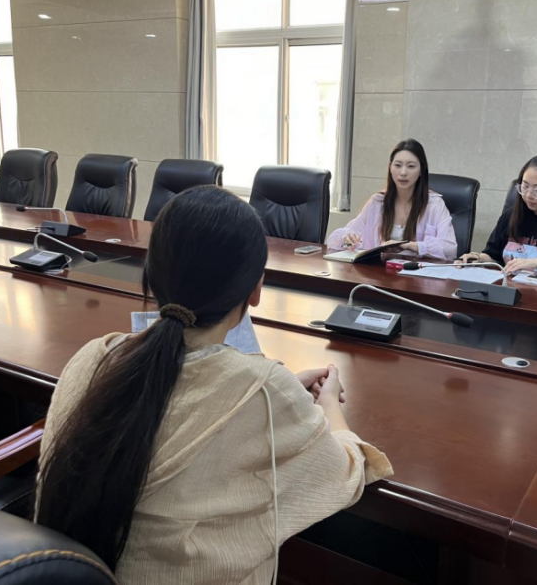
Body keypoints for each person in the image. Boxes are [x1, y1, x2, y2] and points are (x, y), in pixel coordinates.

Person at [35, 186, 392, 584]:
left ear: (151, 275)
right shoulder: (263, 390)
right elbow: (344, 469)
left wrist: (280, 392)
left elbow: (172, 406)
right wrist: (327, 406)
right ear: (255, 290)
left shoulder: (94, 357)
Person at [326, 139, 458, 261]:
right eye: (398, 165)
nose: (403, 172)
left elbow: (450, 249)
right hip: (378, 272)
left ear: (421, 170)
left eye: (411, 166)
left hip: (416, 275)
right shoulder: (378, 202)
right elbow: (333, 239)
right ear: (390, 168)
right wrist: (346, 238)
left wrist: (412, 246)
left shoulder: (434, 205)